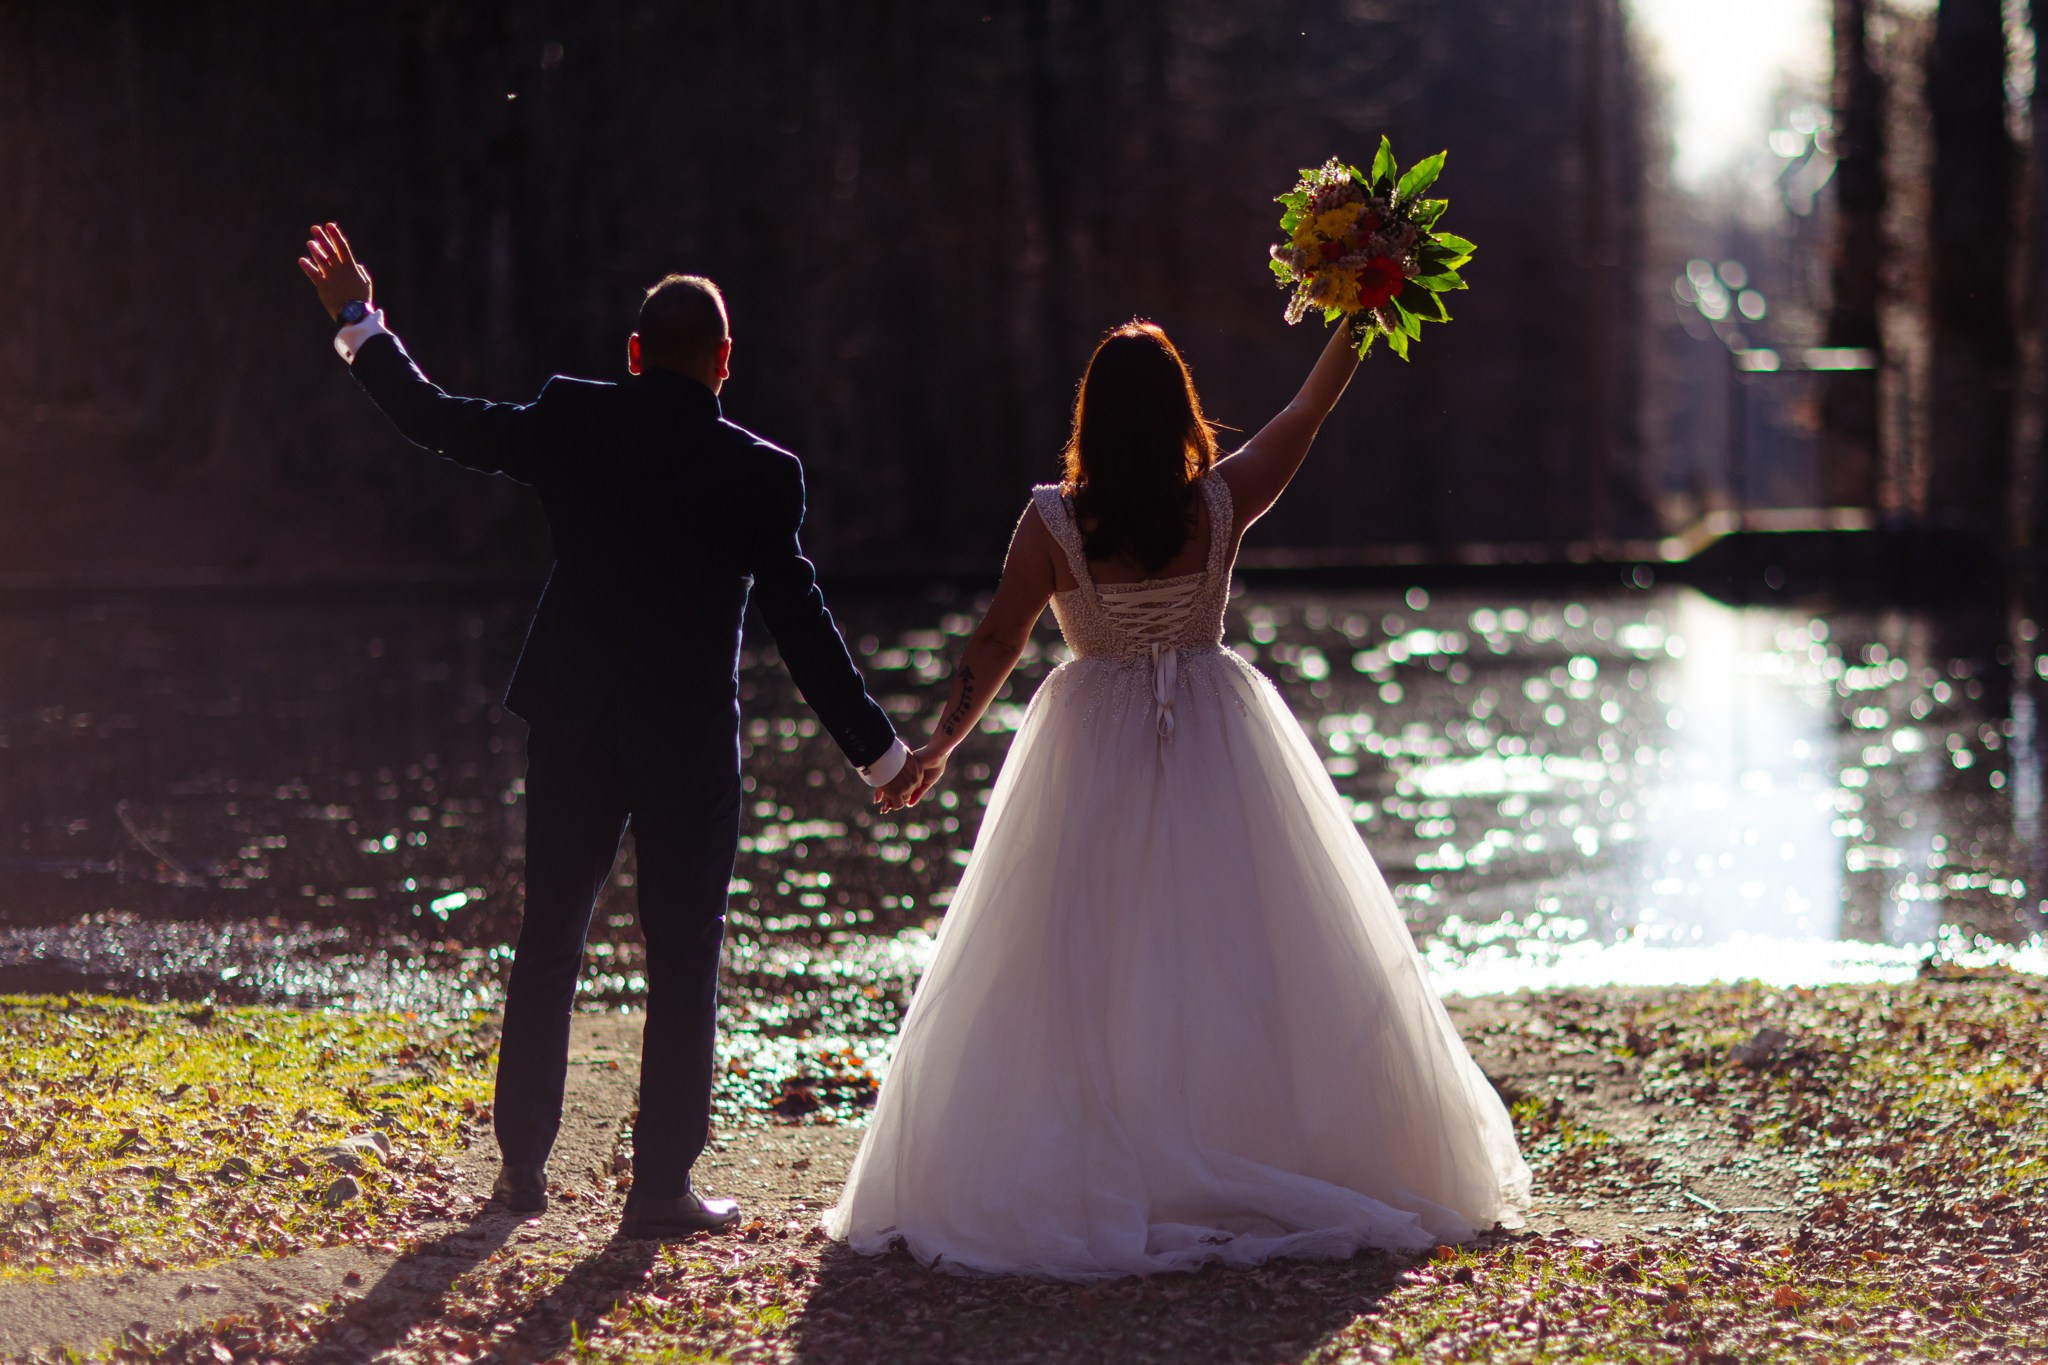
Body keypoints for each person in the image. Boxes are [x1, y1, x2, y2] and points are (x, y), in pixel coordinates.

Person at [830, 318, 1531, 1276]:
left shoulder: (1052, 521)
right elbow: (1307, 408)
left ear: (1091, 417)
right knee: (1235, 946)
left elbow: (996, 641)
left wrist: (938, 746)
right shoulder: (1223, 498)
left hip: (1090, 739)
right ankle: (1244, 1138)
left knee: (1084, 951)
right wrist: (1360, 311)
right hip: (1216, 728)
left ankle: (1113, 1142)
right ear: (1180, 415)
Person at [296, 222, 920, 1240]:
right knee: (683, 959)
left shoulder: (572, 420)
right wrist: (880, 755)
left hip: (577, 719)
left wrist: (361, 322)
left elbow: (435, 418)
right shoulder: (760, 474)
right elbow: (801, 626)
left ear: (634, 356)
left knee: (549, 938)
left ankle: (520, 1174)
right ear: (723, 363)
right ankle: (658, 1191)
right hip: (686, 742)